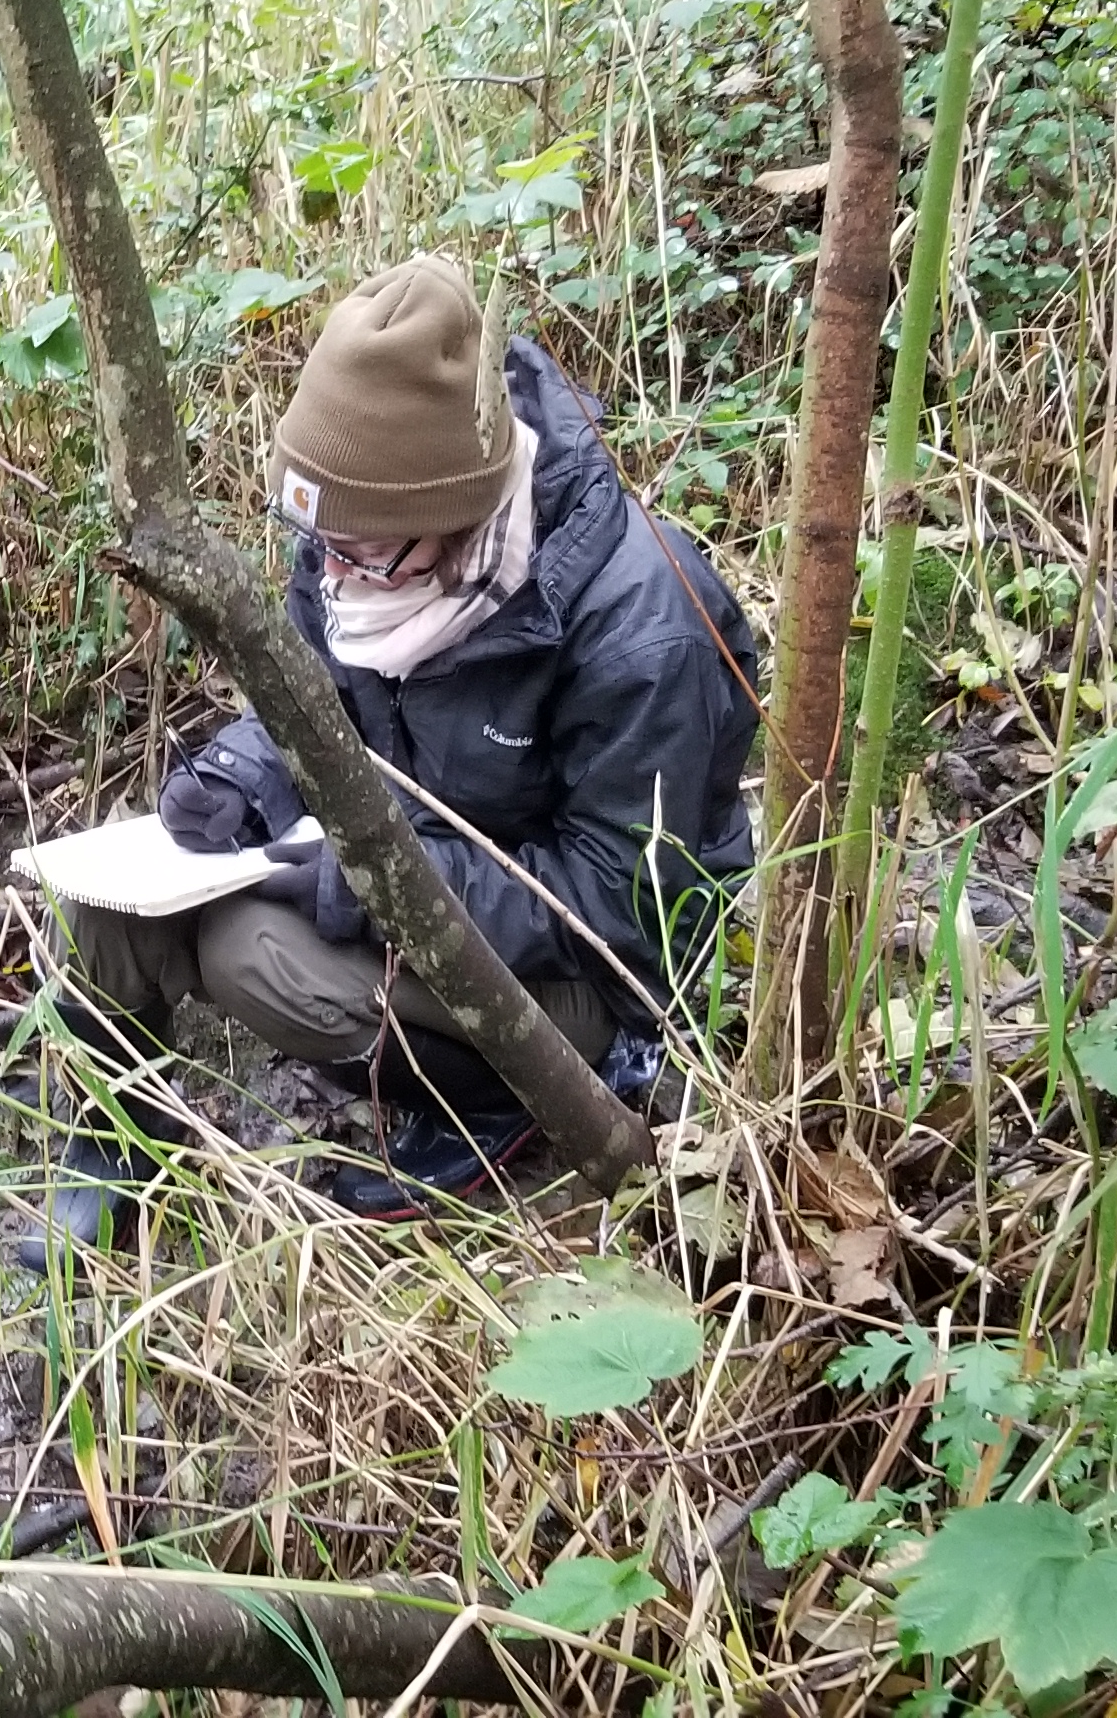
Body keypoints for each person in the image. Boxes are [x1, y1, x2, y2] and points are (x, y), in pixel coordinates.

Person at [49, 256, 760, 1226]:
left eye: (359, 550)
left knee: (250, 950)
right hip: (413, 863)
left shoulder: (641, 630)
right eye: (319, 542)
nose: (331, 572)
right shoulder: (361, 549)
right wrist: (243, 778)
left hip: (576, 978)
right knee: (102, 899)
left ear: (452, 514)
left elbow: (625, 917)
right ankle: (117, 1149)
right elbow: (315, 697)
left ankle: (495, 1106)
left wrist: (369, 885)